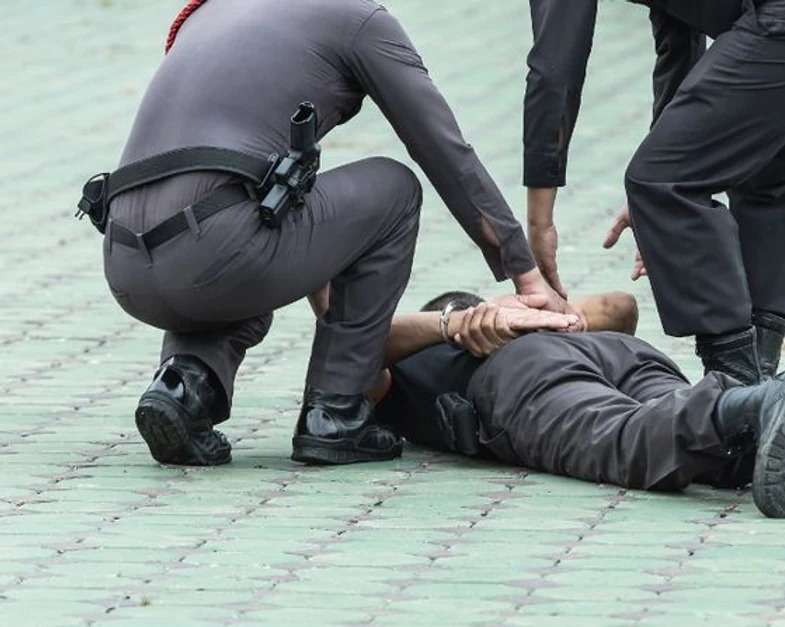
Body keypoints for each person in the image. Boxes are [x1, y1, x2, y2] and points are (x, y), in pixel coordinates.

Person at [78, 0, 576, 468]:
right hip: (216, 248)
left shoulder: (213, 10)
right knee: (394, 187)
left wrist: (320, 271)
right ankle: (337, 409)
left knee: (235, 237)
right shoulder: (357, 18)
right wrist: (526, 274)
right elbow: (444, 152)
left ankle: (184, 385)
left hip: (124, 262)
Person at [521, 0, 785, 385]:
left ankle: (737, 391)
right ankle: (768, 389)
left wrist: (540, 222)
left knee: (658, 183)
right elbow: (679, 36)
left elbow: (554, 72)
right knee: (768, 170)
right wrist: (670, 168)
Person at [367, 290, 785, 519]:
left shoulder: (414, 360)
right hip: (619, 352)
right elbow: (621, 307)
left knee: (626, 439)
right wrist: (556, 315)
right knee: (716, 451)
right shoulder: (517, 316)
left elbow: (355, 349)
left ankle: (770, 397)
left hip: (518, 377)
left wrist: (453, 325)